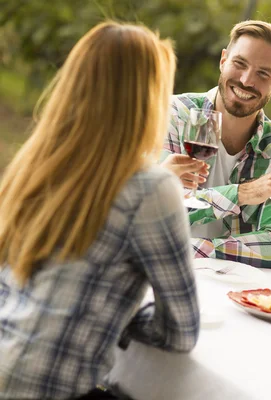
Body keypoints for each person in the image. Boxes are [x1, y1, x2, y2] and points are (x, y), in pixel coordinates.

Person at [0, 22, 202, 399]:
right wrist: (121, 317)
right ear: (147, 100)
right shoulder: (150, 188)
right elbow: (182, 331)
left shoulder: (36, 164)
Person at [161, 20, 271, 270]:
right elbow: (155, 211)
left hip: (235, 286)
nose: (247, 80)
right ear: (223, 60)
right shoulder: (172, 116)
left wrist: (191, 250)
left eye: (263, 73)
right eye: (240, 64)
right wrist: (241, 194)